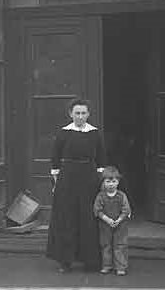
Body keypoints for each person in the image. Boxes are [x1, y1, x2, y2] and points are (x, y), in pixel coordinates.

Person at [46, 98, 106, 273]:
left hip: (88, 177)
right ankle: (65, 260)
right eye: (77, 113)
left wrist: (100, 179)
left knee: (88, 217)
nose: (80, 116)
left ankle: (90, 260)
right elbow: (55, 159)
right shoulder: (63, 133)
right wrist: (57, 181)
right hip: (68, 177)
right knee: (67, 216)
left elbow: (101, 158)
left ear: (88, 114)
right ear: (71, 114)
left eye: (83, 113)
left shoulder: (94, 133)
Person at [93, 166, 132, 276]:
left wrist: (119, 220)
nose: (111, 184)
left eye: (113, 181)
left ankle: (120, 266)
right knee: (106, 245)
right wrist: (107, 219)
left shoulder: (121, 196)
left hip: (120, 224)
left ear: (118, 182)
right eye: (108, 181)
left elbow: (126, 209)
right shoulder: (101, 196)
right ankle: (107, 265)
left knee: (120, 244)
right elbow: (97, 210)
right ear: (104, 182)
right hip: (105, 224)